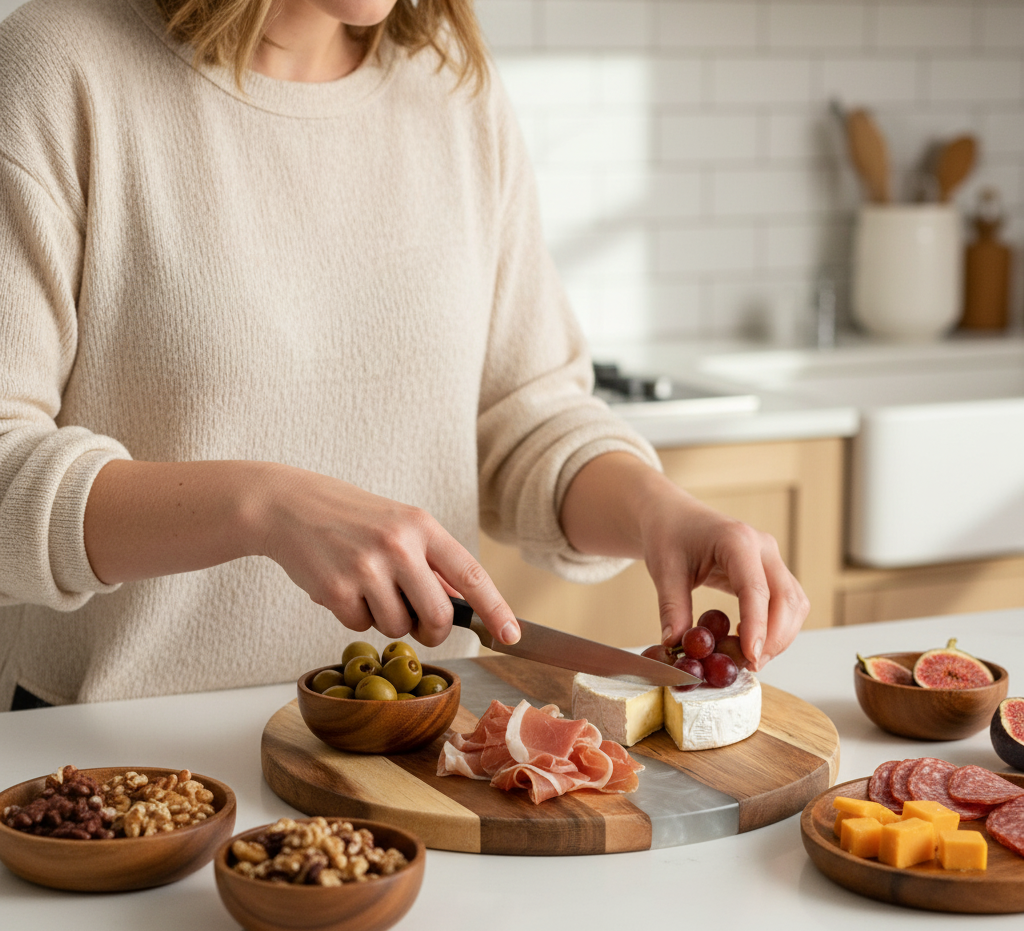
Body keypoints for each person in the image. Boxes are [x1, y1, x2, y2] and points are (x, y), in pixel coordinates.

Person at [0, 0, 809, 710]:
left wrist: (656, 511)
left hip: (414, 754)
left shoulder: (453, 90)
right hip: (128, 770)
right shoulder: (60, 65)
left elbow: (526, 417)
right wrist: (263, 507)